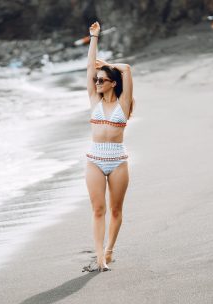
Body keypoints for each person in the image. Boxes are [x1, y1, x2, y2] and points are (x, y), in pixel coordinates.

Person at [82, 21, 134, 273]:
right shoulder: (94, 99)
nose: (98, 82)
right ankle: (99, 256)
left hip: (117, 160)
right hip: (95, 158)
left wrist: (110, 66)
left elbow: (127, 69)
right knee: (98, 209)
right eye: (97, 80)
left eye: (103, 80)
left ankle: (110, 249)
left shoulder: (124, 104)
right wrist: (94, 37)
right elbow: (90, 66)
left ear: (113, 82)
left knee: (115, 209)